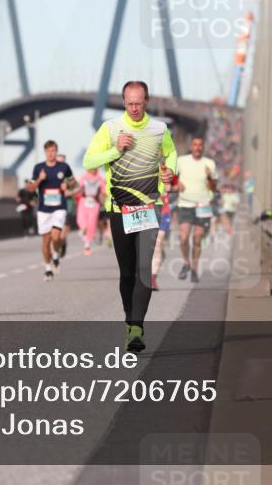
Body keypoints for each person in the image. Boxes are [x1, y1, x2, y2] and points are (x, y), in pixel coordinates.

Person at [83, 80, 176, 353]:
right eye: (130, 103)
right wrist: (116, 150)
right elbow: (89, 161)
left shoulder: (159, 129)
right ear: (124, 102)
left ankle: (137, 328)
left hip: (148, 207)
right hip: (119, 209)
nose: (135, 108)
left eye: (139, 103)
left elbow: (171, 154)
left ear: (146, 101)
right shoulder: (110, 129)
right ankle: (129, 320)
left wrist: (169, 170)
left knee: (144, 271)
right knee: (126, 272)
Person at [27, 140, 73, 281]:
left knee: (56, 236)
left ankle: (56, 255)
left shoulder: (63, 167)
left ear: (56, 151)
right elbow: (30, 188)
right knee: (46, 241)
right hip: (44, 209)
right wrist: (40, 180)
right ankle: (48, 268)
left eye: (53, 150)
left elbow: (72, 181)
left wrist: (66, 184)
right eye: (48, 151)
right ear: (45, 152)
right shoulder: (38, 168)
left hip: (59, 207)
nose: (51, 153)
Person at [175, 137, 217, 284]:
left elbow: (214, 187)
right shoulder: (181, 161)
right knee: (184, 237)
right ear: (191, 146)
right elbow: (172, 177)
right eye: (195, 145)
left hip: (203, 205)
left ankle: (194, 269)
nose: (198, 147)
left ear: (203, 147)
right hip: (185, 204)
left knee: (197, 238)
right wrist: (177, 183)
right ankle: (186, 263)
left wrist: (209, 176)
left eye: (200, 145)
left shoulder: (210, 163)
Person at [150, 173, 178, 291]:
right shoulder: (142, 168)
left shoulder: (167, 170)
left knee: (157, 244)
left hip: (163, 212)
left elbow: (178, 186)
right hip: (147, 212)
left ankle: (152, 278)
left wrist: (171, 187)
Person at [76, 167, 105, 255]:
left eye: (95, 168)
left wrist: (103, 203)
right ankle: (83, 232)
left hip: (95, 203)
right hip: (84, 202)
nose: (94, 170)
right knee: (82, 221)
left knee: (91, 224)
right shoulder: (84, 177)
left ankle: (87, 244)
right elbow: (79, 189)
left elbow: (102, 192)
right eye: (92, 168)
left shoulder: (100, 178)